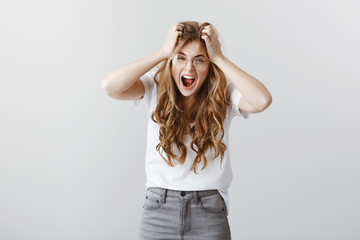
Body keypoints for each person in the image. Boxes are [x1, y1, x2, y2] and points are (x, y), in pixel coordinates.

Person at [101, 21, 272, 240]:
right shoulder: (155, 86)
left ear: (209, 65)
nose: (189, 68)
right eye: (180, 57)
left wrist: (219, 57)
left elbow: (262, 100)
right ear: (171, 61)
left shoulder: (223, 93)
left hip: (208, 211)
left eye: (199, 60)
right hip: (158, 210)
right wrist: (162, 53)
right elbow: (110, 86)